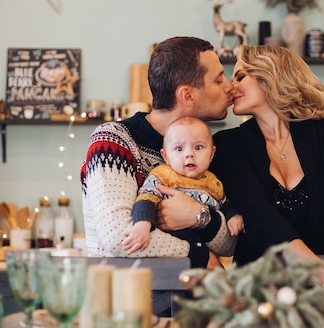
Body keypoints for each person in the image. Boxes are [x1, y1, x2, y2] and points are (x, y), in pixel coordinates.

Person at [210, 44, 324, 299]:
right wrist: (321, 272)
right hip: (259, 289)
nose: (231, 87)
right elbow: (260, 220)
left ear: (270, 74)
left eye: (240, 76)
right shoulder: (228, 145)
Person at [81, 36, 236, 269]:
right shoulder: (113, 140)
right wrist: (200, 257)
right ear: (187, 95)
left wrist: (198, 215)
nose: (229, 86)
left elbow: (231, 243)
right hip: (130, 301)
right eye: (218, 79)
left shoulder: (203, 151)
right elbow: (118, 237)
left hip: (191, 303)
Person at [127, 116, 244, 268]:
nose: (189, 154)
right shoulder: (163, 175)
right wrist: (142, 224)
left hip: (206, 256)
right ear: (166, 156)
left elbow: (223, 203)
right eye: (179, 149)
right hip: (172, 258)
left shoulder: (213, 182)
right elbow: (146, 198)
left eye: (198, 147)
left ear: (211, 154)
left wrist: (232, 216)